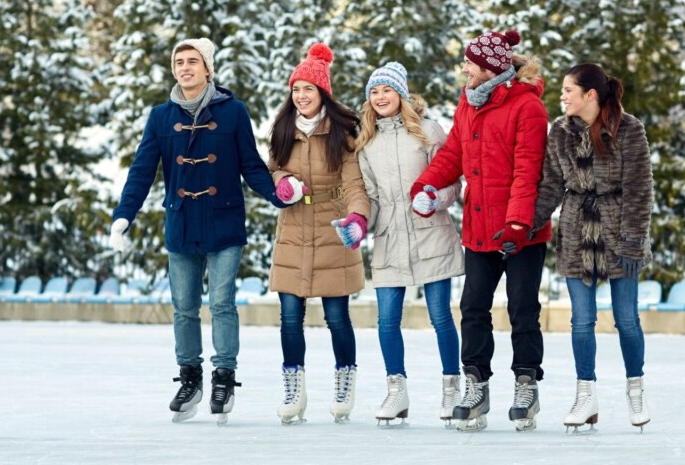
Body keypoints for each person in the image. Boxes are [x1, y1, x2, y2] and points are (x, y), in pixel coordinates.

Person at [109, 38, 286, 425]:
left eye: (193, 61)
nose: (185, 67)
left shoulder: (233, 112)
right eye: (179, 62)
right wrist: (124, 215)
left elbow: (251, 165)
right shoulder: (160, 117)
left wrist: (277, 195)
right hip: (182, 221)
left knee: (222, 303)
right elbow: (142, 171)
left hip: (223, 220)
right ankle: (190, 378)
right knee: (184, 308)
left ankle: (224, 376)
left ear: (208, 69)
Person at [410, 29, 551, 432]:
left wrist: (519, 222)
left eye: (469, 63)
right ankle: (476, 384)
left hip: (520, 231)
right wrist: (426, 186)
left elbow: (528, 171)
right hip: (479, 227)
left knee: (523, 308)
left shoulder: (528, 108)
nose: (464, 70)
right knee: (473, 308)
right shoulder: (468, 104)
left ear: (489, 67)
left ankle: (526, 383)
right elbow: (453, 152)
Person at [530, 63, 653, 433]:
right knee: (581, 320)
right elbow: (550, 185)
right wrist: (526, 224)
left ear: (591, 95)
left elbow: (639, 190)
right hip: (576, 230)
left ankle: (636, 388)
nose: (562, 96)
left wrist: (633, 241)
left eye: (569, 90)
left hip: (618, 232)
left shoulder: (629, 129)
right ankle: (586, 394)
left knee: (626, 319)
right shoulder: (560, 132)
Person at [355, 62, 464, 427]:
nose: (380, 97)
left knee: (440, 316)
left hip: (430, 232)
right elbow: (368, 195)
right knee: (387, 321)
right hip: (389, 237)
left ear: (401, 94)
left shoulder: (430, 131)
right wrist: (359, 224)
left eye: (386, 90)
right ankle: (396, 390)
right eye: (374, 92)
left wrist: (435, 198)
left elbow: (452, 181)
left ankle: (451, 387)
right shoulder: (366, 141)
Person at [267, 42, 371, 425]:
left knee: (336, 316)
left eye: (308, 89)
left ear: (322, 92)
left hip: (333, 227)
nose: (301, 96)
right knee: (290, 316)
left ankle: (345, 379)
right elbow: (271, 168)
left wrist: (358, 219)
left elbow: (356, 184)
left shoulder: (342, 134)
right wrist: (282, 184)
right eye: (296, 89)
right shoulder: (282, 129)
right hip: (293, 229)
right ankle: (294, 387)